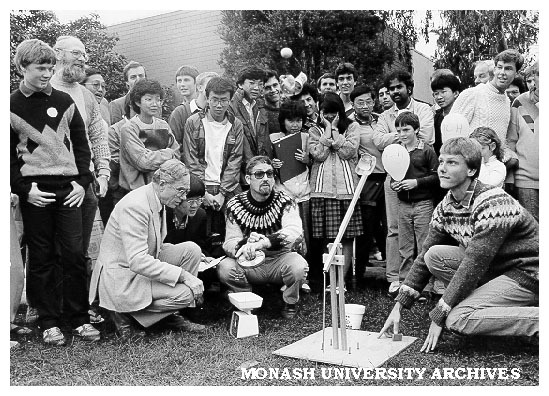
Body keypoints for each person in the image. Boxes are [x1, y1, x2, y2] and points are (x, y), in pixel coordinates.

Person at [379, 137, 538, 351]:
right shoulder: (447, 205)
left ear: (471, 171)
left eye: (452, 163)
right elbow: (424, 256)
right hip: (498, 270)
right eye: (441, 162)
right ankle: (490, 303)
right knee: (433, 255)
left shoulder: (493, 203)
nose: (442, 169)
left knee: (457, 318)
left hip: (528, 274)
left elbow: (473, 264)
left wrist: (440, 314)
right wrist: (399, 305)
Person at [11, 39, 99, 345]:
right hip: (35, 192)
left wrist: (81, 182)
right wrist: (25, 191)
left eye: (50, 67)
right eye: (39, 68)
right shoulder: (9, 106)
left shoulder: (65, 101)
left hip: (69, 189)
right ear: (21, 67)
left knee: (75, 254)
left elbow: (83, 148)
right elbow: (7, 159)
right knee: (42, 257)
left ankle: (79, 318)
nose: (47, 73)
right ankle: (48, 321)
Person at [89, 160, 206, 338]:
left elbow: (155, 248)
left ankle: (166, 314)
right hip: (122, 278)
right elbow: (138, 261)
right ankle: (125, 313)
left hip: (137, 270)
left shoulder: (158, 198)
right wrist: (183, 275)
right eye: (181, 191)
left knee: (192, 250)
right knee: (186, 293)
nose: (184, 198)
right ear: (163, 184)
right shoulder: (136, 206)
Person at [50, 36, 110, 322]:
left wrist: (104, 172)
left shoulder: (86, 95)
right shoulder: (43, 88)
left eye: (85, 54)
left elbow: (98, 136)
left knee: (79, 249)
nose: (83, 58)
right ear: (57, 54)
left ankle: (79, 307)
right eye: (77, 52)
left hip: (84, 183)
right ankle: (50, 309)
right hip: (51, 183)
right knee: (53, 248)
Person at [217, 156, 308, 319]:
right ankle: (247, 299)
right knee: (225, 267)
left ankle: (290, 301)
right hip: (249, 261)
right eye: (259, 174)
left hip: (279, 259)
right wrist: (245, 244)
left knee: (299, 266)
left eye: (270, 174)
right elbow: (229, 242)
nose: (266, 178)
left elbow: (294, 232)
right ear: (248, 178)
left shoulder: (286, 201)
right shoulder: (234, 205)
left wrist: (263, 243)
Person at [373, 69, 434, 296]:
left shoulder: (424, 109)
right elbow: (378, 140)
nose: (394, 92)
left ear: (409, 87)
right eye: (390, 89)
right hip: (394, 176)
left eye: (398, 87)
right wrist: (401, 135)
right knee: (394, 228)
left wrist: (396, 136)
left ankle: (422, 279)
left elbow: (427, 136)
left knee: (421, 230)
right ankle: (394, 277)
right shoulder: (384, 115)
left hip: (418, 176)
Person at [182, 76, 244, 243]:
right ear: (207, 98)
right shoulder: (193, 122)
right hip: (200, 188)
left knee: (230, 236)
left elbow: (235, 160)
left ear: (230, 100)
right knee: (199, 236)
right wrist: (204, 193)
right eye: (214, 99)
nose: (218, 105)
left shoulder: (236, 125)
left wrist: (222, 193)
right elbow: (191, 159)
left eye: (223, 100)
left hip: (227, 189)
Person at [309, 92, 362, 281]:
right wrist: (326, 132)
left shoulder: (353, 127)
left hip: (347, 190)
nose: (330, 117)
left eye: (333, 113)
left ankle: (341, 280)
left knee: (347, 237)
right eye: (326, 112)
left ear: (340, 110)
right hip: (322, 190)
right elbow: (317, 154)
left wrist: (336, 133)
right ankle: (329, 278)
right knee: (326, 237)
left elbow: (349, 151)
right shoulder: (314, 130)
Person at [390, 112, 438, 294]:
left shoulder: (427, 151)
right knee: (405, 246)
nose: (402, 134)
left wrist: (416, 182)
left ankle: (425, 286)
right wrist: (394, 184)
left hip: (423, 203)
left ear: (416, 130)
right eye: (399, 130)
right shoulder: (396, 150)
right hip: (403, 204)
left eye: (406, 130)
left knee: (424, 244)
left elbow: (436, 177)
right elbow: (393, 175)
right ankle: (405, 282)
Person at [451, 49, 524, 167]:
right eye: (499, 67)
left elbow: (500, 142)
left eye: (508, 68)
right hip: (468, 170)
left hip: (493, 174)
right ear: (494, 70)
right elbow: (451, 135)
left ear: (516, 74)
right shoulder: (472, 94)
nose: (502, 72)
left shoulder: (507, 102)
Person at [349, 85, 387, 281]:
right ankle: (359, 274)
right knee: (366, 227)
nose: (365, 106)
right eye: (360, 102)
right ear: (353, 104)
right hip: (367, 180)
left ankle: (392, 275)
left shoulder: (383, 120)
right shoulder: (350, 124)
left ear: (374, 102)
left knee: (389, 227)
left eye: (368, 101)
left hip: (387, 177)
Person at [119, 79, 179, 193]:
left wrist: (164, 155)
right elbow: (143, 162)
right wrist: (168, 153)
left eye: (158, 99)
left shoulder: (163, 125)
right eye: (148, 99)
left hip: (163, 189)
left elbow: (176, 154)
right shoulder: (129, 129)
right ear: (137, 102)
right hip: (137, 191)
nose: (154, 103)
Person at [270, 100, 311, 256]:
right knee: (286, 232)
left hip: (304, 193)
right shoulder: (274, 138)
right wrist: (274, 164)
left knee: (306, 233)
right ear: (283, 121)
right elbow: (266, 163)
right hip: (283, 193)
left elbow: (313, 163)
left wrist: (307, 159)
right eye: (291, 120)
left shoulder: (306, 137)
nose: (295, 124)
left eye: (299, 120)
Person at [229, 66, 271, 189]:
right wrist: (252, 166)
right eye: (251, 83)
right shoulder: (231, 106)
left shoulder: (259, 105)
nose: (256, 88)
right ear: (240, 84)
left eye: (260, 84)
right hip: (241, 172)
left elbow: (265, 140)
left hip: (259, 169)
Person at [507, 60, 539, 221]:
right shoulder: (520, 102)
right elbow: (511, 140)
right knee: (532, 234)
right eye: (530, 80)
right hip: (526, 182)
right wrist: (510, 177)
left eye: (538, 77)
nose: (534, 83)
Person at [169, 71, 219, 152]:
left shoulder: (220, 112)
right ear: (199, 87)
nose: (215, 90)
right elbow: (174, 146)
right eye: (211, 86)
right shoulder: (180, 112)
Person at [431, 74, 461, 155]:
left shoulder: (461, 115)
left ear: (455, 93)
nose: (439, 97)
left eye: (443, 92)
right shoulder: (435, 117)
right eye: (436, 93)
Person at [263, 70, 282, 134]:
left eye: (275, 85)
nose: (273, 90)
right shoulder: (260, 115)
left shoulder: (289, 108)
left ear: (280, 84)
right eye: (268, 88)